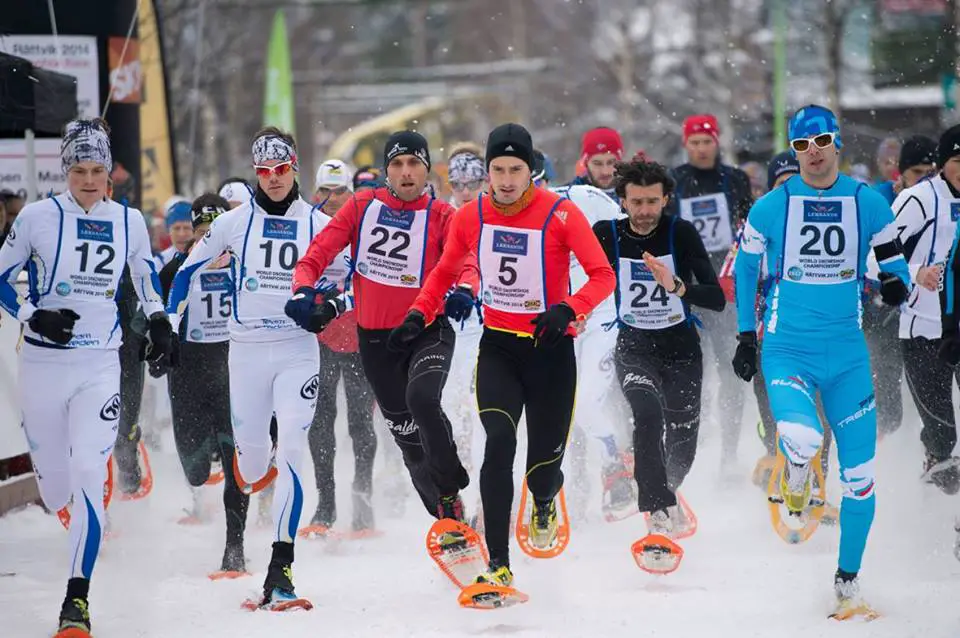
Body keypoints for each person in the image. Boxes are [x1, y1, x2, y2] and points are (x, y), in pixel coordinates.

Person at [392, 122, 615, 588]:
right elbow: (443, 272)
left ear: (531, 169)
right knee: (499, 444)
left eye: (517, 169)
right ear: (488, 171)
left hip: (551, 352)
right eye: (499, 169)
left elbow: (602, 276)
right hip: (499, 348)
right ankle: (498, 562)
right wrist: (418, 313)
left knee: (541, 470)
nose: (508, 179)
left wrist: (568, 309)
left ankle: (546, 499)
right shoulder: (472, 217)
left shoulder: (561, 213)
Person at [733, 105, 910, 612]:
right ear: (793, 151)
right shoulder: (771, 206)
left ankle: (848, 581)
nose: (812, 153)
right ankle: (794, 470)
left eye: (821, 141)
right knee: (806, 437)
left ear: (837, 143)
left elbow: (890, 257)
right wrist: (747, 336)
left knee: (860, 477)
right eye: (801, 146)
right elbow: (747, 273)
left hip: (848, 355)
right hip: (787, 347)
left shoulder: (868, 203)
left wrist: (894, 281)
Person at [0, 118, 173, 635]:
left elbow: (144, 274)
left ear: (109, 174)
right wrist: (34, 314)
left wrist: (161, 320)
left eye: (99, 170)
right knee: (56, 489)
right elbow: (1, 275)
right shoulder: (37, 217)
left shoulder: (128, 220)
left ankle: (76, 600)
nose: (91, 180)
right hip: (43, 363)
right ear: (66, 171)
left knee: (88, 477)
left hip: (100, 362)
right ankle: (67, 512)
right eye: (81, 170)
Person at [167, 126, 326, 609]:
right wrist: (166, 326)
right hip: (248, 353)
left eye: (281, 169)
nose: (274, 179)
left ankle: (281, 570)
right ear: (255, 171)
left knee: (293, 451)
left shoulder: (317, 223)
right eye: (264, 171)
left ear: (293, 167)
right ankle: (257, 462)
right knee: (254, 464)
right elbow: (187, 271)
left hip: (299, 350)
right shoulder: (233, 223)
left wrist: (329, 306)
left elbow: (347, 281)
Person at [289, 130, 475, 523]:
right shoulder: (362, 206)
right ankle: (449, 521)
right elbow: (316, 255)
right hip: (375, 342)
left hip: (428, 329)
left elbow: (469, 260)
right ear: (386, 171)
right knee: (409, 444)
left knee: (423, 400)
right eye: (397, 164)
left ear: (427, 170)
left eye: (414, 164)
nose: (406, 173)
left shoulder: (443, 215)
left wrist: (465, 289)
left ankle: (450, 489)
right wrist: (303, 291)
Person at [594, 158, 725, 533]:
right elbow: (571, 269)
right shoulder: (607, 234)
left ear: (666, 199)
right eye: (636, 202)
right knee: (647, 416)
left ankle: (667, 489)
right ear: (622, 200)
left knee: (683, 445)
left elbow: (715, 297)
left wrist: (677, 287)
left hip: (681, 349)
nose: (645, 211)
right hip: (634, 346)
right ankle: (658, 512)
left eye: (652, 201)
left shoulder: (680, 233)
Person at [152, 193, 251, 574]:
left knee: (235, 463)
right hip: (189, 375)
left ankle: (234, 547)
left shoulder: (243, 267)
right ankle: (208, 447)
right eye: (202, 233)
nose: (210, 241)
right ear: (193, 235)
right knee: (195, 470)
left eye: (217, 232)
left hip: (231, 372)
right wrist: (158, 349)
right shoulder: (175, 271)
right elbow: (154, 318)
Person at [667, 113, 754, 478]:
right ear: (686, 145)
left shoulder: (733, 179)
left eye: (707, 141)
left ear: (717, 142)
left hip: (724, 289)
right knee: (690, 371)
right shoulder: (676, 180)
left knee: (730, 372)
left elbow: (748, 228)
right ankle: (693, 448)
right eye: (695, 143)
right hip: (687, 292)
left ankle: (730, 454)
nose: (702, 149)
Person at [303, 159, 378, 534]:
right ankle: (325, 504)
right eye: (325, 192)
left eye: (340, 191)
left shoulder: (364, 223)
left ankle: (362, 503)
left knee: (361, 422)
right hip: (319, 337)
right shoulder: (307, 224)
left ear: (351, 191)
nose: (332, 199)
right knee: (321, 421)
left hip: (360, 335)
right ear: (316, 192)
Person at [551, 177, 627, 517]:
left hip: (600, 316)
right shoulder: (508, 208)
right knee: (556, 411)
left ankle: (616, 465)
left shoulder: (586, 198)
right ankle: (561, 487)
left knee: (585, 405)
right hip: (557, 319)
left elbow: (631, 239)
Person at [895, 125, 960, 494]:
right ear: (942, 164)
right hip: (923, 331)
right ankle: (935, 470)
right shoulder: (918, 200)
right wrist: (915, 272)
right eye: (957, 161)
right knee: (941, 433)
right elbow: (873, 255)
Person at [862, 137, 937, 443]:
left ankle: (932, 447)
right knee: (886, 380)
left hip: (931, 309)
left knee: (931, 381)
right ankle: (886, 446)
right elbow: (866, 252)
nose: (926, 179)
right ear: (901, 173)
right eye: (918, 172)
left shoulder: (943, 201)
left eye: (931, 171)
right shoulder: (880, 198)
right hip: (885, 305)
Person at [444, 142, 488, 473]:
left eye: (472, 183)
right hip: (449, 326)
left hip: (487, 326)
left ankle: (492, 487)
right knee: (449, 404)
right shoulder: (442, 216)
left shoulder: (496, 215)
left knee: (481, 406)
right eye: (457, 184)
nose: (465, 191)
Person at [874, 136, 937, 205]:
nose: (924, 179)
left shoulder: (943, 201)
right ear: (902, 172)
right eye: (917, 172)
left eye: (930, 173)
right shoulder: (879, 199)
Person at [564, 127, 624, 200]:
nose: (605, 172)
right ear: (586, 163)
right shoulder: (568, 198)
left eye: (611, 162)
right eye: (597, 163)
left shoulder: (635, 194)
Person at [156, 197, 193, 267]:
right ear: (168, 230)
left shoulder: (210, 259)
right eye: (176, 228)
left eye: (187, 228)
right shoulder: (159, 263)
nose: (181, 234)